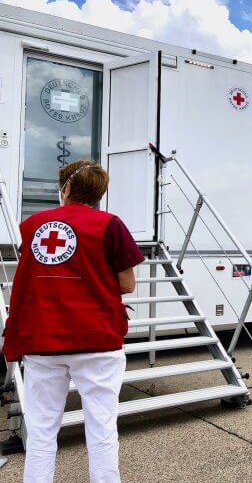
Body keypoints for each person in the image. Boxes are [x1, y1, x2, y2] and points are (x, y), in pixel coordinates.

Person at [2, 160, 144, 483]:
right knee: (102, 431)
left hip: (44, 340)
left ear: (66, 188)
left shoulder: (34, 226)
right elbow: (127, 284)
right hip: (97, 341)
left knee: (41, 433)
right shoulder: (110, 225)